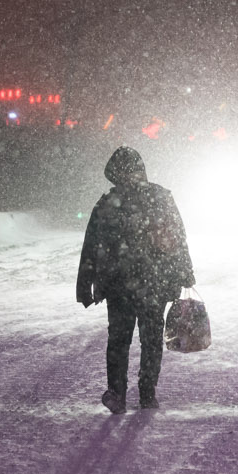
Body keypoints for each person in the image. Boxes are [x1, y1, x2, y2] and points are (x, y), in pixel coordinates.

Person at [76, 146, 195, 412]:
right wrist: (184, 273)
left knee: (123, 339)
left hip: (123, 284)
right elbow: (178, 238)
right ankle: (141, 393)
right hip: (149, 283)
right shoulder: (159, 197)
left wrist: (86, 284)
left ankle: (126, 393)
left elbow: (91, 247)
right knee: (146, 339)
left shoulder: (108, 202)